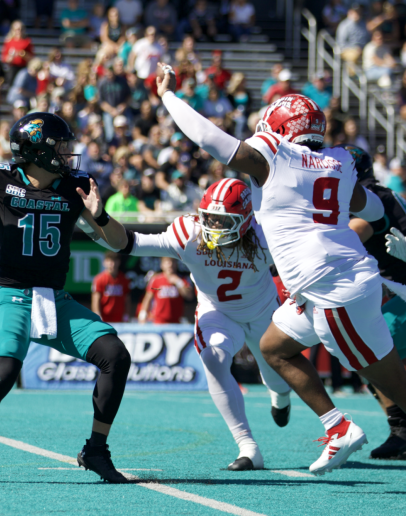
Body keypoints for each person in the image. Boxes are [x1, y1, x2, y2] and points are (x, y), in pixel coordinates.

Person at [155, 63, 406, 475]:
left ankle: (342, 430)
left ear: (279, 128)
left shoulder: (275, 155)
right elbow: (376, 208)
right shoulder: (339, 161)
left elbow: (207, 138)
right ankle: (337, 426)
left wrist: (167, 96)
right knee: (274, 347)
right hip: (325, 282)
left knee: (395, 385)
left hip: (331, 286)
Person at [0, 113, 132, 484]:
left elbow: (118, 243)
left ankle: (96, 450)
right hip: (13, 292)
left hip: (55, 297)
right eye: (60, 146)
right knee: (3, 373)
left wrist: (99, 216)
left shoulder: (75, 186)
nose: (67, 153)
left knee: (115, 355)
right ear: (39, 150)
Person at [101, 178, 294, 469]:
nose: (213, 226)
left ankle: (279, 396)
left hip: (262, 313)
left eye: (222, 220)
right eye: (209, 218)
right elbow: (132, 242)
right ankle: (248, 447)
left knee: (278, 382)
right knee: (212, 357)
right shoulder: (188, 234)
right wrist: (99, 218)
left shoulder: (267, 236)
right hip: (218, 311)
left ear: (244, 220)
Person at [345, 145, 406, 459]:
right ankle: (401, 428)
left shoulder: (372, 199)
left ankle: (401, 429)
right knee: (366, 355)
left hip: (402, 292)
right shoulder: (381, 193)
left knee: (369, 354)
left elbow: (350, 237)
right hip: (396, 291)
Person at [138, 257, 192, 324]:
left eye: (173, 262)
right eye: (167, 262)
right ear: (162, 265)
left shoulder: (181, 280)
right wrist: (142, 315)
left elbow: (189, 296)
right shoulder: (156, 280)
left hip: (176, 322)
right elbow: (148, 298)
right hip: (159, 321)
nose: (170, 264)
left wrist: (178, 282)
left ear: (176, 264)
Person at [92, 252, 130, 323]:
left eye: (115, 261)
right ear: (104, 262)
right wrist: (98, 315)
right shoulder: (99, 279)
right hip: (104, 319)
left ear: (119, 262)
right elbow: (96, 299)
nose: (112, 264)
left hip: (119, 320)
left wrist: (126, 315)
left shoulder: (124, 279)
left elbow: (127, 299)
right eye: (109, 261)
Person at [336, 4, 370, 74]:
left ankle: (368, 75)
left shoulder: (363, 24)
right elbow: (341, 43)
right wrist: (354, 49)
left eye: (359, 12)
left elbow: (367, 38)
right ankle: (352, 78)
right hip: (347, 50)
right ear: (349, 13)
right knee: (353, 56)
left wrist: (363, 48)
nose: (357, 14)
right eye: (355, 12)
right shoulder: (344, 25)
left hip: (362, 49)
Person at [1, 20, 34, 86]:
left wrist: (24, 55)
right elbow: (4, 57)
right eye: (17, 29)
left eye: (21, 29)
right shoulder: (9, 41)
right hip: (12, 67)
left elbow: (32, 58)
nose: (19, 31)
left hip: (23, 67)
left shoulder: (27, 41)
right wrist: (10, 57)